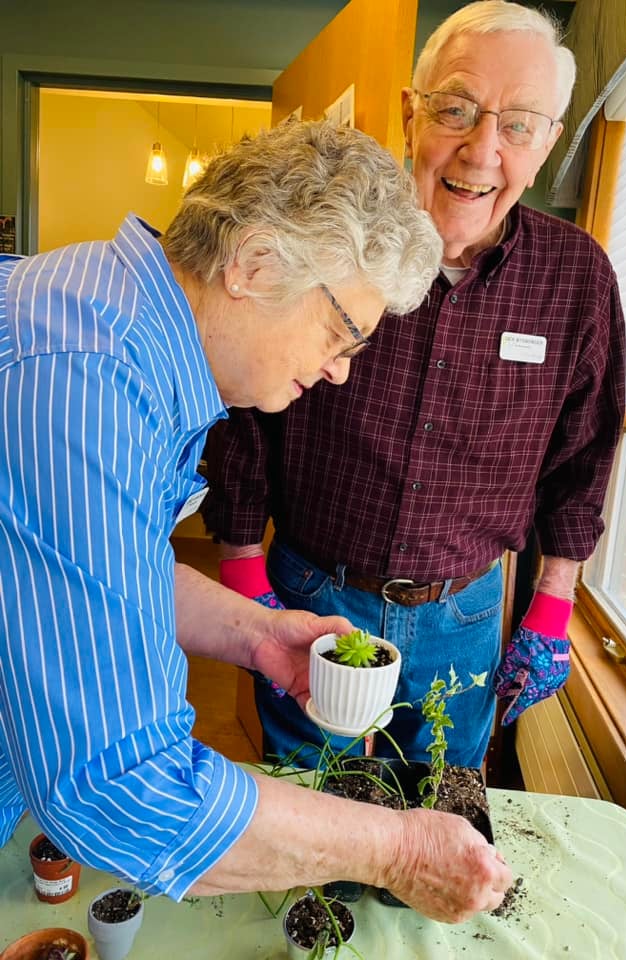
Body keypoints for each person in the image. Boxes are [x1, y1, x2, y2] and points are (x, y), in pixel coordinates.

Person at [0, 118, 513, 921]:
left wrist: (255, 634)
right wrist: (400, 849)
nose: (342, 370)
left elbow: (80, 572)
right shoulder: (87, 377)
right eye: (343, 331)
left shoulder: (117, 327)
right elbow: (121, 789)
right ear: (256, 263)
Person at [202, 2, 626, 769]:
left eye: (520, 124)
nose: (482, 149)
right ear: (410, 113)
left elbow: (584, 456)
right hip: (311, 590)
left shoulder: (578, 278)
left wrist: (554, 604)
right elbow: (242, 410)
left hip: (462, 613)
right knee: (302, 798)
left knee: (430, 819)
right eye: (457, 109)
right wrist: (239, 572)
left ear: (550, 145)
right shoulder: (333, 241)